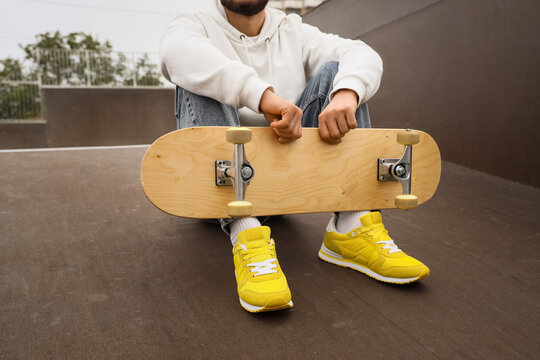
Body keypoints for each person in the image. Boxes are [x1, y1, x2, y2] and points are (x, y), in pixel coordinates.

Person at [160, 0, 430, 313]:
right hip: (217, 192)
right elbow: (175, 53)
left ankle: (350, 227)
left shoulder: (291, 29)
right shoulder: (193, 24)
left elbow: (361, 53)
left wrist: (347, 93)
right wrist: (263, 97)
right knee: (194, 73)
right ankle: (245, 230)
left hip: (284, 191)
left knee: (340, 73)